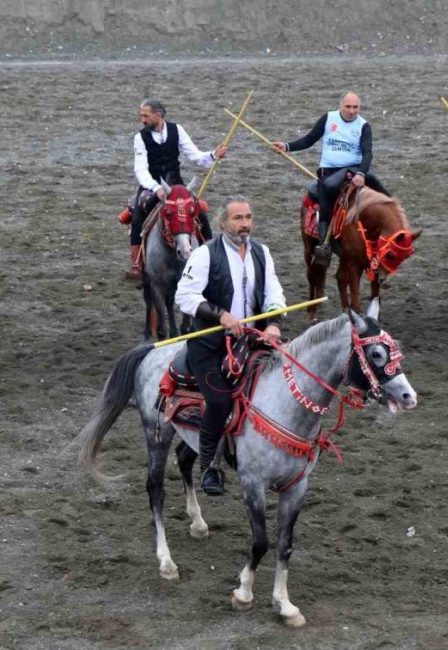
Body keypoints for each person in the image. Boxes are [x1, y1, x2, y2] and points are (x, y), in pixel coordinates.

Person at [176, 196, 286, 495]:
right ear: (223, 223)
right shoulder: (204, 254)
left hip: (253, 342)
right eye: (238, 218)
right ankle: (210, 466)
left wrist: (275, 323)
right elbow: (184, 296)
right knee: (220, 400)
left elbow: (273, 292)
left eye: (248, 217)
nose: (245, 224)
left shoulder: (262, 252)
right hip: (210, 345)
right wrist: (221, 315)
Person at [272, 91, 390, 267]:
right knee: (327, 189)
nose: (351, 111)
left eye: (355, 107)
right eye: (348, 107)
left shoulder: (364, 126)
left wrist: (361, 173)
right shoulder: (329, 118)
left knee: (384, 194)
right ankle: (323, 245)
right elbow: (309, 139)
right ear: (340, 106)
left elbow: (367, 153)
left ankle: (395, 229)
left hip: (355, 170)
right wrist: (287, 146)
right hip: (328, 172)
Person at [126, 99, 227, 280]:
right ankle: (137, 263)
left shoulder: (177, 130)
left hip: (176, 184)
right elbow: (140, 169)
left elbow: (195, 156)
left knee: (200, 214)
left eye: (145, 116)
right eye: (141, 115)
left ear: (159, 115)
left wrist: (213, 155)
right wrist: (156, 188)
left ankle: (210, 255)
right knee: (138, 217)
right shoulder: (139, 137)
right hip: (151, 186)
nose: (142, 120)